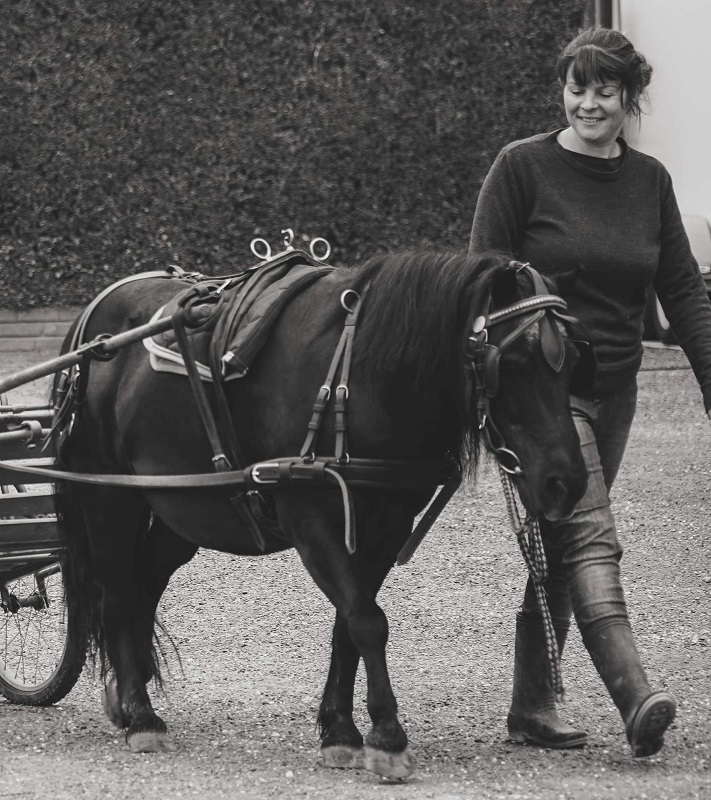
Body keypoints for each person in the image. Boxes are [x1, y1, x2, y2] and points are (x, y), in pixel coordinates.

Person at [469, 25, 711, 758]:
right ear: (562, 91)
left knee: (559, 540)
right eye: (576, 88)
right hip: (537, 392)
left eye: (604, 89)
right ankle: (633, 696)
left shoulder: (648, 182)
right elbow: (480, 274)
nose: (587, 102)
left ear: (629, 97)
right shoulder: (522, 168)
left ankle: (531, 705)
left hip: (615, 387)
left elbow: (680, 288)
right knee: (588, 535)